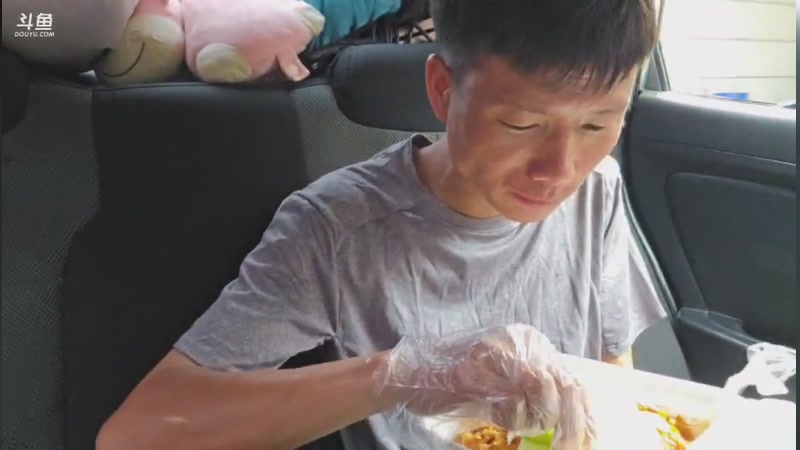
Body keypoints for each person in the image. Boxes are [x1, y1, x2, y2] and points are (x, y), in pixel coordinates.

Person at [96, 0, 667, 449]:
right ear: (443, 89)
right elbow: (136, 434)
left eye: (596, 126)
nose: (559, 170)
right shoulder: (336, 228)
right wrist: (404, 374)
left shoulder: (597, 191)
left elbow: (610, 372)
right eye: (521, 124)